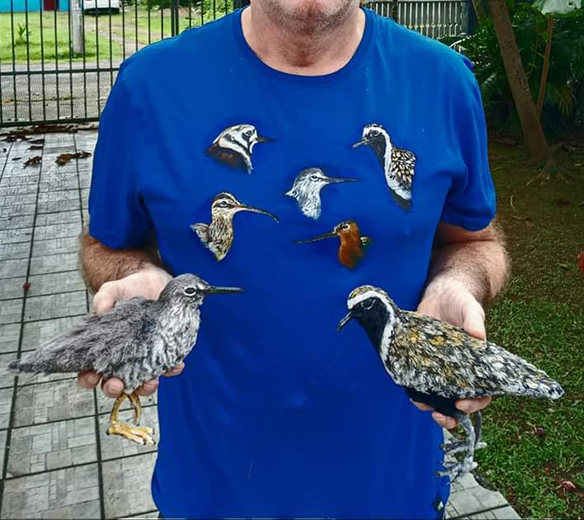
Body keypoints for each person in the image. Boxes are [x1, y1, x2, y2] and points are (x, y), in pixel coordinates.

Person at [78, 1, 509, 518]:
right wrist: (135, 276)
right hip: (213, 491)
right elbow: (106, 244)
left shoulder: (442, 81)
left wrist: (458, 284)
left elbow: (474, 243)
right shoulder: (149, 86)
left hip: (394, 491)